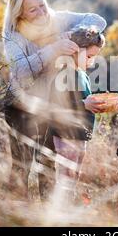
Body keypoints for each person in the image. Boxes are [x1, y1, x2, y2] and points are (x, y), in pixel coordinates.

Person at [2, 0, 106, 199]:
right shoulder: (14, 35)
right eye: (33, 10)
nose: (42, 13)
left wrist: (76, 33)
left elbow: (98, 20)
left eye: (42, 5)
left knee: (48, 164)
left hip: (51, 105)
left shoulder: (57, 18)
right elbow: (20, 71)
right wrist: (54, 49)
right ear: (20, 15)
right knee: (22, 165)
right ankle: (12, 214)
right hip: (22, 105)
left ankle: (48, 217)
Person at [48, 26, 106, 201]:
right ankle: (59, 210)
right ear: (75, 50)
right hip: (66, 135)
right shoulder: (64, 74)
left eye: (94, 57)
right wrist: (84, 104)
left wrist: (95, 104)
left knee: (74, 175)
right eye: (89, 57)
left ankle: (68, 205)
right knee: (66, 176)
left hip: (80, 136)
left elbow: (84, 101)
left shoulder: (82, 75)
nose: (92, 62)